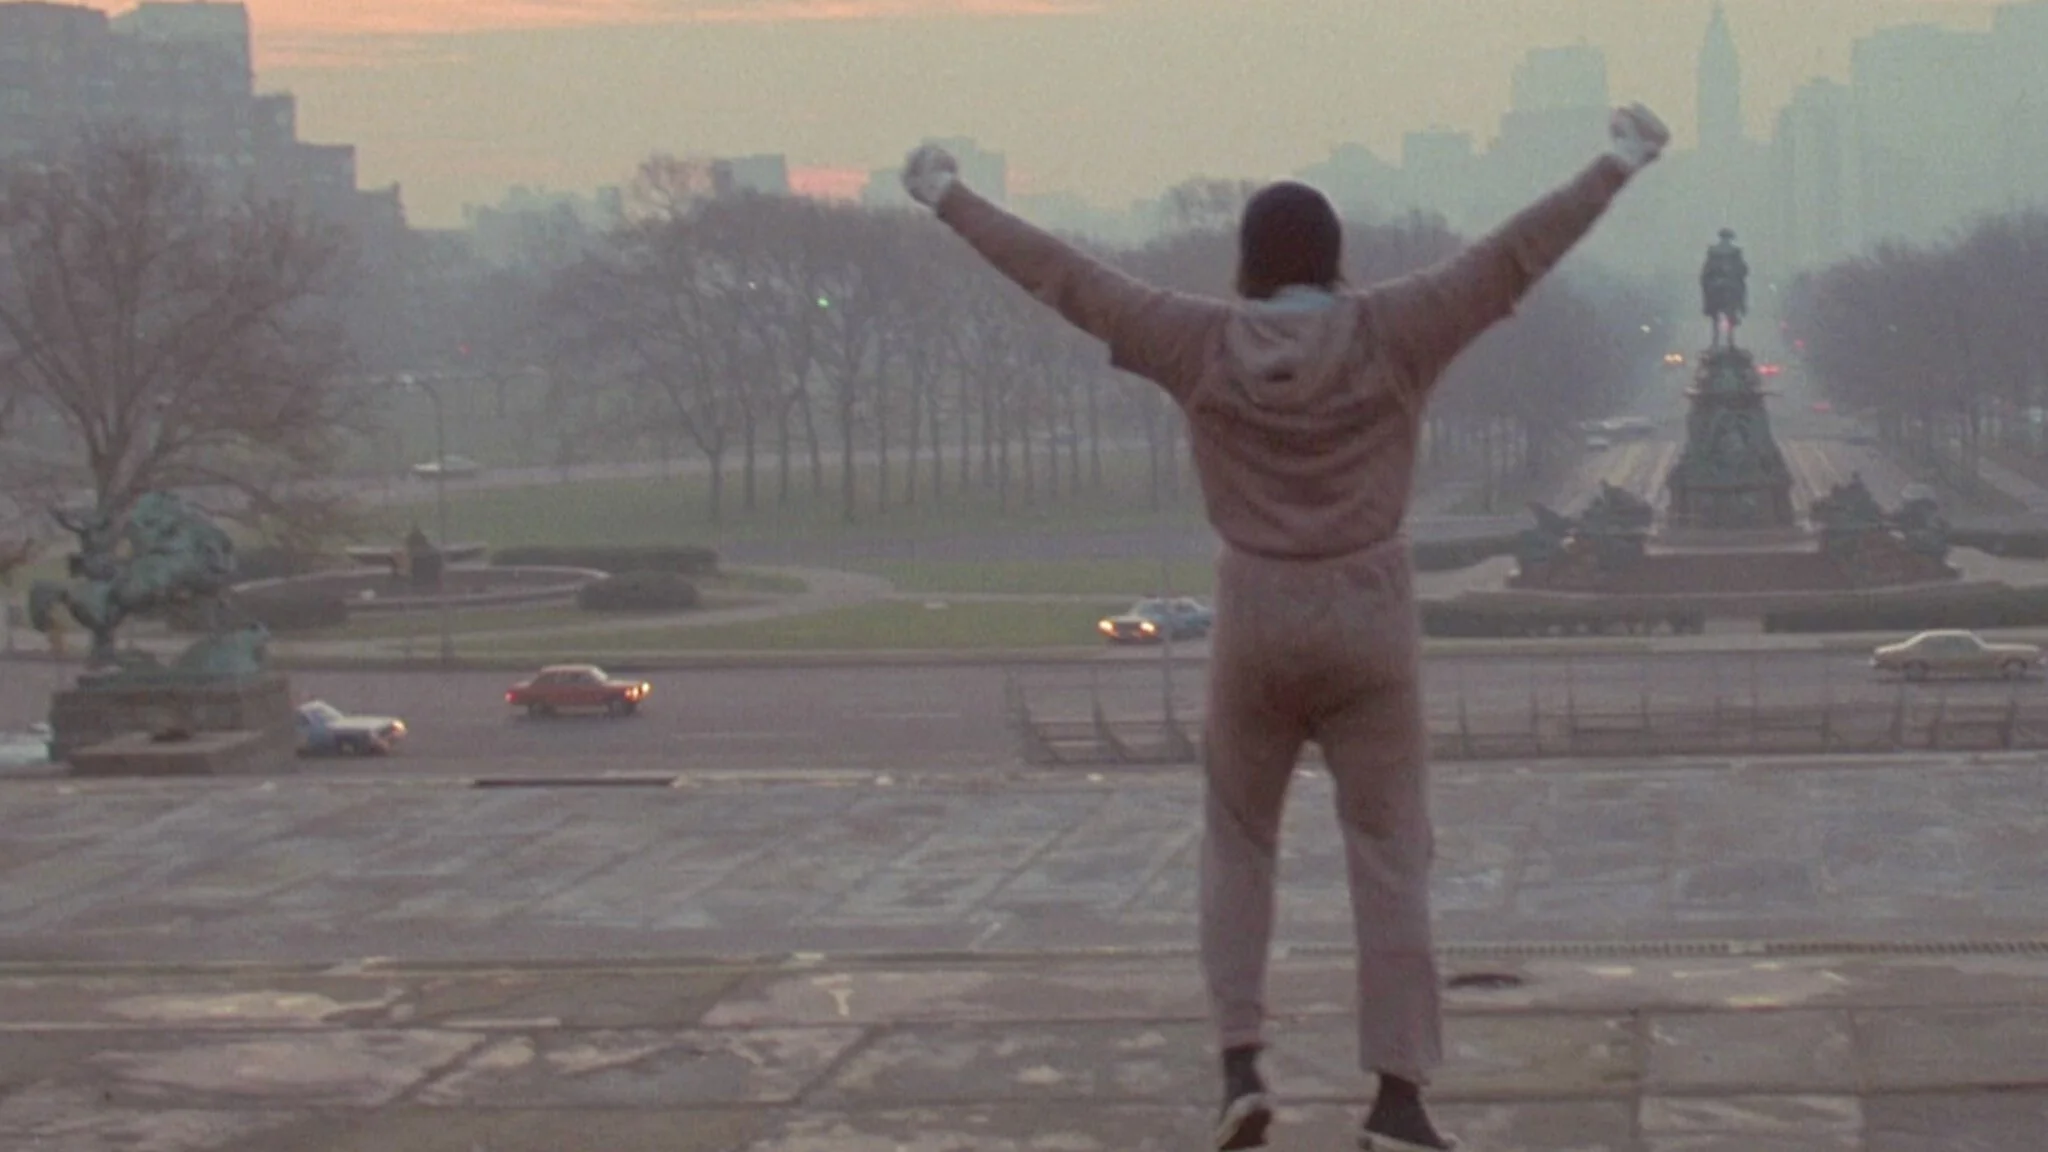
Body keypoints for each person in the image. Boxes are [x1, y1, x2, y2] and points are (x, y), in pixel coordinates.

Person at [900, 103, 1669, 1152]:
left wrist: (948, 196)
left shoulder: (1197, 338)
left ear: (1248, 264)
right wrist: (1614, 163)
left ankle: (1239, 1065)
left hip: (1255, 612)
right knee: (1390, 857)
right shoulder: (1393, 328)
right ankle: (1397, 1100)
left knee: (1238, 845)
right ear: (1335, 257)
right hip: (1368, 611)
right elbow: (1512, 257)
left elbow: (1064, 278)